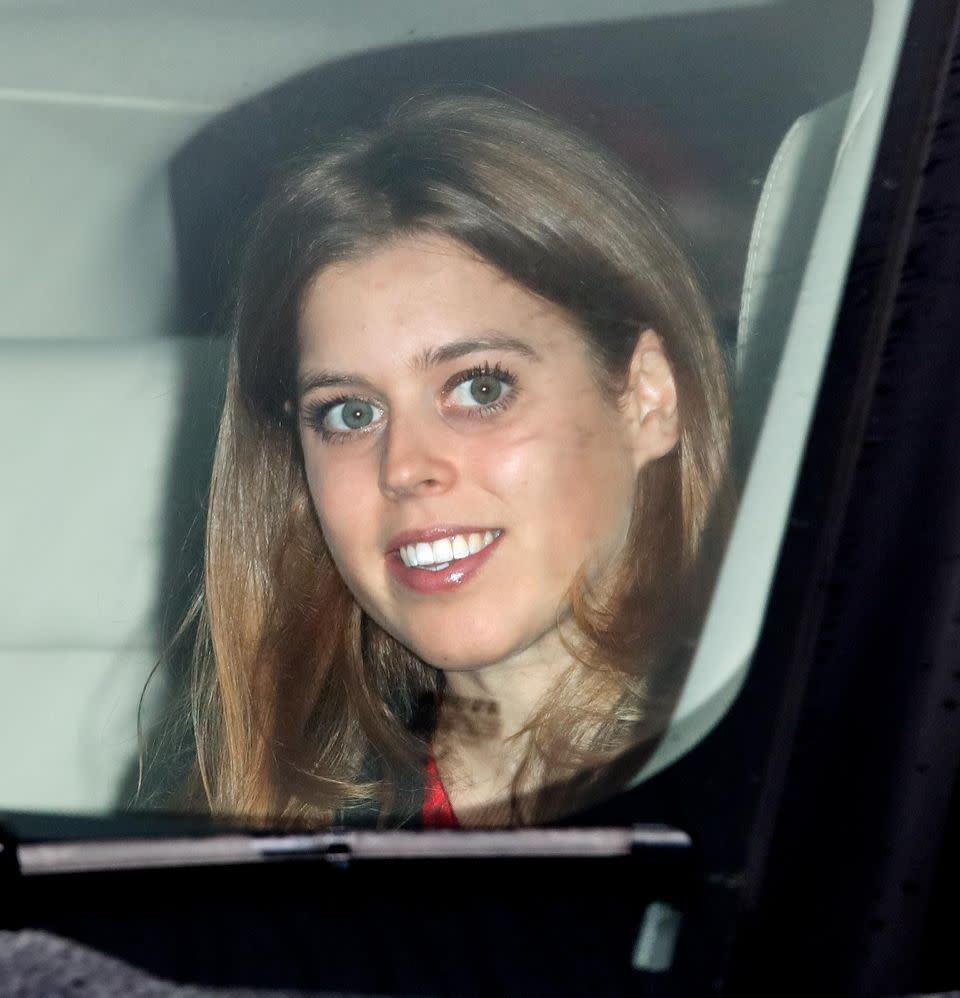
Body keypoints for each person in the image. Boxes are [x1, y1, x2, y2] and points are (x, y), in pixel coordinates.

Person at [152, 92, 732, 828]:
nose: (405, 466)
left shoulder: (812, 778)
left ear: (647, 400)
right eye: (350, 412)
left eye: (481, 387)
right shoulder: (254, 804)